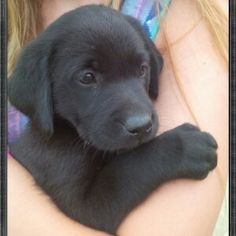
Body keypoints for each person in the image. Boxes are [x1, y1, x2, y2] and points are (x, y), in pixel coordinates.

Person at [8, 0, 228, 235]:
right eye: (88, 78)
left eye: (140, 71)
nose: (138, 117)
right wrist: (167, 153)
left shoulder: (184, 16)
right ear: (42, 89)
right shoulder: (52, 149)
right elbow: (91, 207)